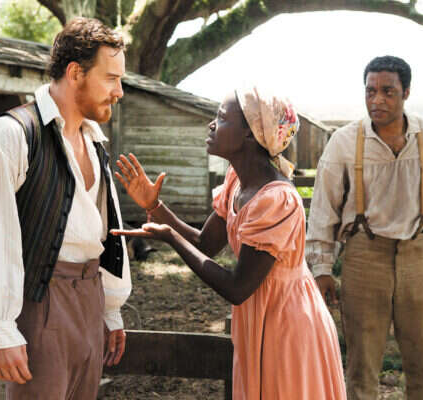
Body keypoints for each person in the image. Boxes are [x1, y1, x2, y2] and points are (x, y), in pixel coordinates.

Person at [112, 87, 347, 399]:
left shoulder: (276, 200)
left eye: (222, 118)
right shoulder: (238, 183)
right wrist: (155, 206)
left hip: (287, 322)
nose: (212, 124)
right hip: (262, 315)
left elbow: (237, 288)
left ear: (251, 133)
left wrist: (170, 237)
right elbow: (204, 244)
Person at [0, 17, 131, 399]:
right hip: (42, 303)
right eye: (110, 78)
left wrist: (110, 308)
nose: (119, 92)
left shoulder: (94, 142)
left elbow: (102, 230)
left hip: (90, 301)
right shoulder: (11, 135)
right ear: (75, 73)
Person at [306, 55, 423, 400]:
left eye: (388, 91)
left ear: (406, 93)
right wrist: (321, 268)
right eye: (370, 91)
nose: (377, 100)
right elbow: (323, 212)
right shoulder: (344, 142)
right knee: (361, 369)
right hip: (363, 258)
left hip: (418, 255)